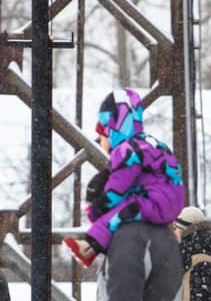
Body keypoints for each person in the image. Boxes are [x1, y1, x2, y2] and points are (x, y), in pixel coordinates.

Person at [63, 89, 185, 267]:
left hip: (155, 203)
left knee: (120, 212)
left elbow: (118, 188)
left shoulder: (126, 150)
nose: (102, 143)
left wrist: (100, 207)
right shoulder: (154, 143)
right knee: (128, 207)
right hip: (173, 205)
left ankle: (90, 247)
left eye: (102, 136)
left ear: (112, 126)